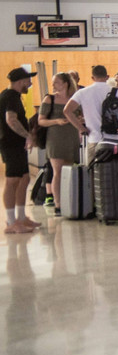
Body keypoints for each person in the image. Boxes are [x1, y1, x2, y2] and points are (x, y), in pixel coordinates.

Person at [1, 67, 39, 233]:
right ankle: (11, 222)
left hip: (16, 144)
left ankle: (21, 217)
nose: (30, 84)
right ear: (21, 81)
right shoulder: (10, 97)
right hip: (10, 144)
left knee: (24, 178)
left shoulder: (13, 96)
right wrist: (27, 136)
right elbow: (11, 120)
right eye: (28, 81)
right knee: (12, 180)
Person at [64, 64, 118, 164]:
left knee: (93, 173)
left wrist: (81, 128)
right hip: (115, 140)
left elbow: (67, 111)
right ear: (107, 76)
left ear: (92, 78)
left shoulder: (82, 92)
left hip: (94, 139)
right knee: (115, 172)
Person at [39, 73, 80, 215]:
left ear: (65, 83)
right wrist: (56, 121)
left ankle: (68, 201)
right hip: (55, 137)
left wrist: (79, 119)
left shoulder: (74, 98)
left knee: (68, 171)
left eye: (56, 82)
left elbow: (81, 115)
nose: (53, 85)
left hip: (72, 136)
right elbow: (41, 121)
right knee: (57, 171)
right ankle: (58, 204)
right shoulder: (49, 99)